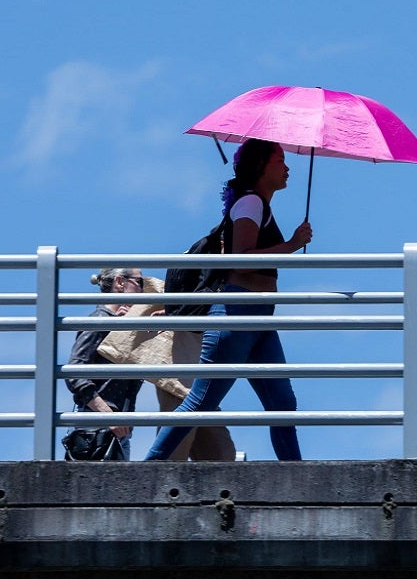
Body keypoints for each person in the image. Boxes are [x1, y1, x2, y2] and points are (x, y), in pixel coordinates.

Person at [145, 139, 312, 461]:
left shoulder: (257, 204)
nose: (287, 167)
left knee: (282, 404)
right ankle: (149, 469)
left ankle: (297, 474)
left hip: (257, 314)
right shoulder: (250, 204)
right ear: (262, 166)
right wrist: (292, 244)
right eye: (280, 160)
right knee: (201, 402)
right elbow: (242, 260)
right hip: (238, 311)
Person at [64, 268, 146, 460]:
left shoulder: (119, 323)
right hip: (96, 426)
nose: (144, 289)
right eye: (140, 283)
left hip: (113, 427)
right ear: (120, 282)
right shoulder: (101, 320)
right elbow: (75, 373)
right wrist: (108, 415)